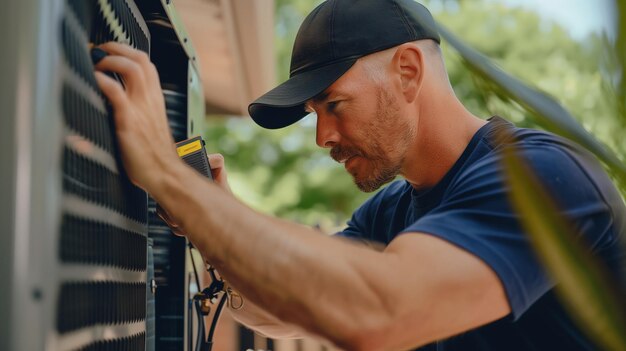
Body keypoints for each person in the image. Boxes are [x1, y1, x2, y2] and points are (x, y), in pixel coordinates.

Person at [91, 0, 625, 350]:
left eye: (335, 105)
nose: (322, 137)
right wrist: (211, 226)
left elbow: (379, 310)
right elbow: (291, 310)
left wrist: (170, 179)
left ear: (409, 72)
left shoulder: (540, 178)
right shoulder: (393, 212)